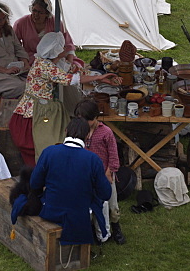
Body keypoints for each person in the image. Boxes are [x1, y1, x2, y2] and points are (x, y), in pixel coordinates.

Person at [9, 32, 120, 167]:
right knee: (45, 141)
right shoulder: (46, 67)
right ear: (55, 51)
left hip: (35, 104)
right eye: (61, 48)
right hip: (39, 110)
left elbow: (63, 68)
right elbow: (72, 79)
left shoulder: (42, 61)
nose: (64, 49)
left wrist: (67, 60)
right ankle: (46, 168)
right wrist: (99, 77)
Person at [30, 117, 112, 247]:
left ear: (65, 131)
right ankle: (103, 236)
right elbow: (106, 193)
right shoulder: (93, 160)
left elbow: (34, 183)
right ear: (87, 135)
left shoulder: (49, 152)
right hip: (79, 216)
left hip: (50, 210)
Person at [75, 98, 126, 244]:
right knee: (92, 205)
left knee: (112, 205)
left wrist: (109, 172)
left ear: (96, 117)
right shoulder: (79, 132)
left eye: (87, 120)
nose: (84, 123)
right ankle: (95, 230)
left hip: (105, 174)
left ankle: (116, 227)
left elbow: (113, 155)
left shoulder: (106, 132)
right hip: (86, 176)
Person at [14, 0, 77, 68]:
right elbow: (15, 45)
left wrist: (69, 62)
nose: (36, 15)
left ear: (47, 14)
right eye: (34, 10)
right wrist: (25, 62)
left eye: (40, 12)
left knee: (73, 69)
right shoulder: (21, 23)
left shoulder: (56, 23)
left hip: (55, 57)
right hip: (30, 58)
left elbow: (68, 44)